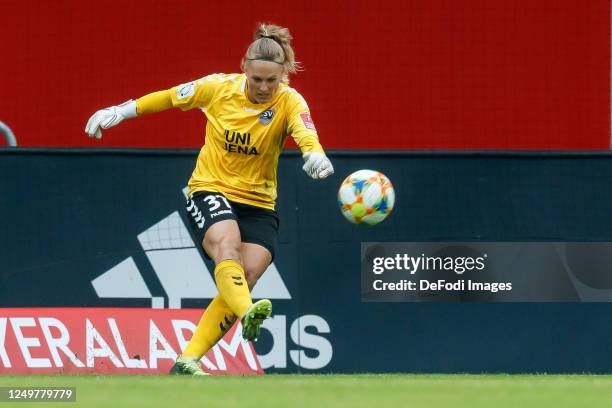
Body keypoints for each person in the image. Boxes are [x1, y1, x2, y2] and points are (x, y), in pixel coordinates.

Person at [84, 23, 334, 376]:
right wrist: (119, 111)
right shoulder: (217, 88)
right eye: (257, 79)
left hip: (260, 203)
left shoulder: (289, 100)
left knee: (245, 276)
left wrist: (314, 155)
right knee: (227, 248)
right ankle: (248, 312)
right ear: (244, 66)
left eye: (272, 81)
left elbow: (305, 130)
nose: (264, 88)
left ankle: (187, 360)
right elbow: (170, 97)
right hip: (210, 188)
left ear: (283, 76)